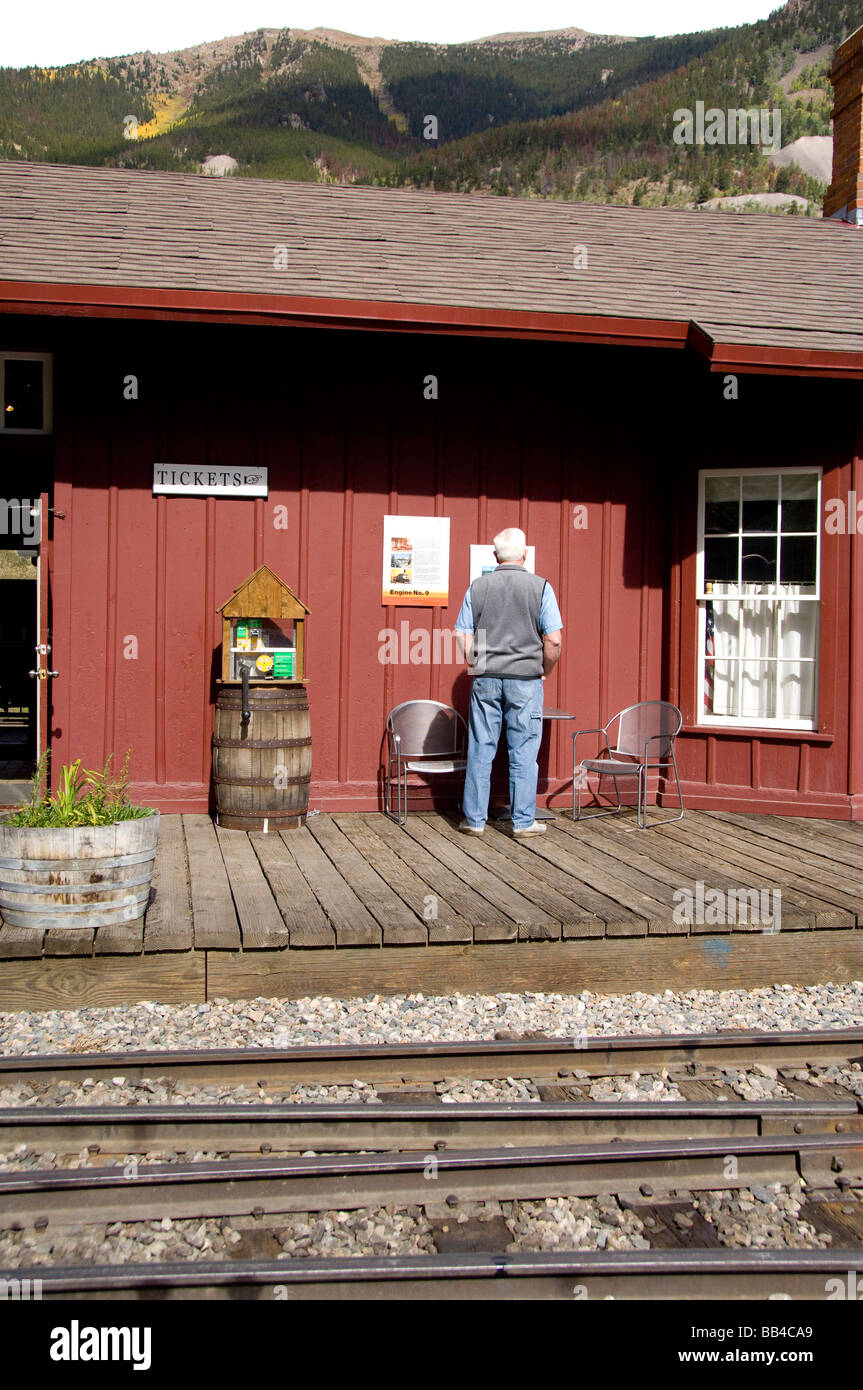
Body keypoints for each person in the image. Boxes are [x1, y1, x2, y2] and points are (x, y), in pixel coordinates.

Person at [453, 527, 562, 836]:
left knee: (480, 747)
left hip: (486, 676)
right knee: (524, 750)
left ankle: (474, 820)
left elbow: (462, 634)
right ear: (525, 555)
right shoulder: (540, 587)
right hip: (526, 679)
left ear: (495, 556)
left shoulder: (477, 587)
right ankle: (524, 821)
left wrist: (477, 664)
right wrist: (545, 670)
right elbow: (553, 640)